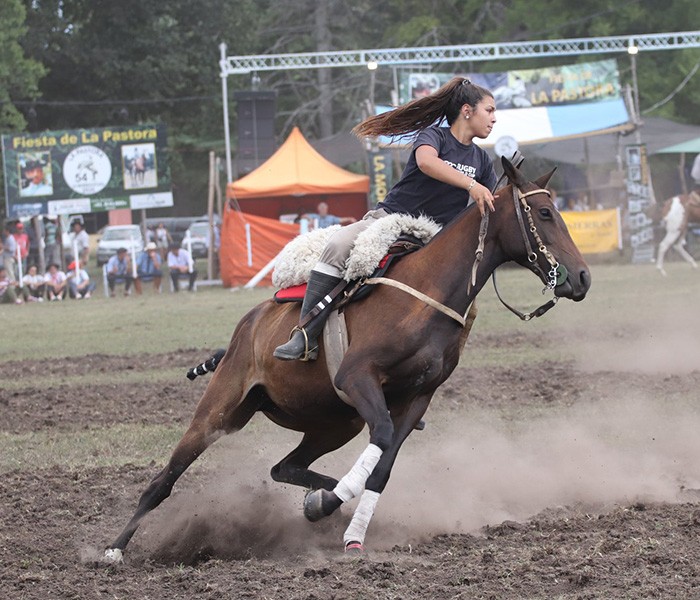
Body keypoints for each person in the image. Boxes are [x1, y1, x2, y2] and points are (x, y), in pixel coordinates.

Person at [274, 76, 497, 361]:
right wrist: (471, 184)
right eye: (489, 111)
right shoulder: (434, 136)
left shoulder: (481, 159)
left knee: (469, 303)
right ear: (467, 111)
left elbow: (489, 203)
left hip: (435, 238)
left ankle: (441, 361)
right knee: (339, 245)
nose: (494, 119)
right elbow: (427, 162)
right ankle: (304, 336)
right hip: (390, 220)